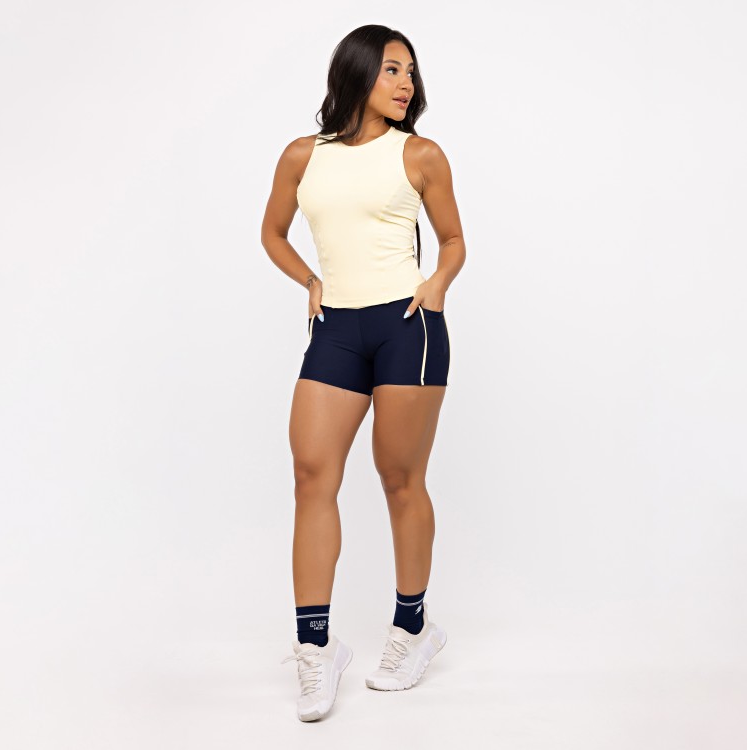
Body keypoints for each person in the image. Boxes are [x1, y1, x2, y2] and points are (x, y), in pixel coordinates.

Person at [261, 24, 466, 722]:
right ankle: (316, 648)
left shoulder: (421, 154)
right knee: (311, 475)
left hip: (407, 325)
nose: (406, 83)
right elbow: (272, 233)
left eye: (411, 71)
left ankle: (413, 628)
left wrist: (436, 284)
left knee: (399, 478)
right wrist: (309, 281)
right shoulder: (303, 155)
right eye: (391, 70)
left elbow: (453, 240)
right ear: (356, 72)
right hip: (337, 328)